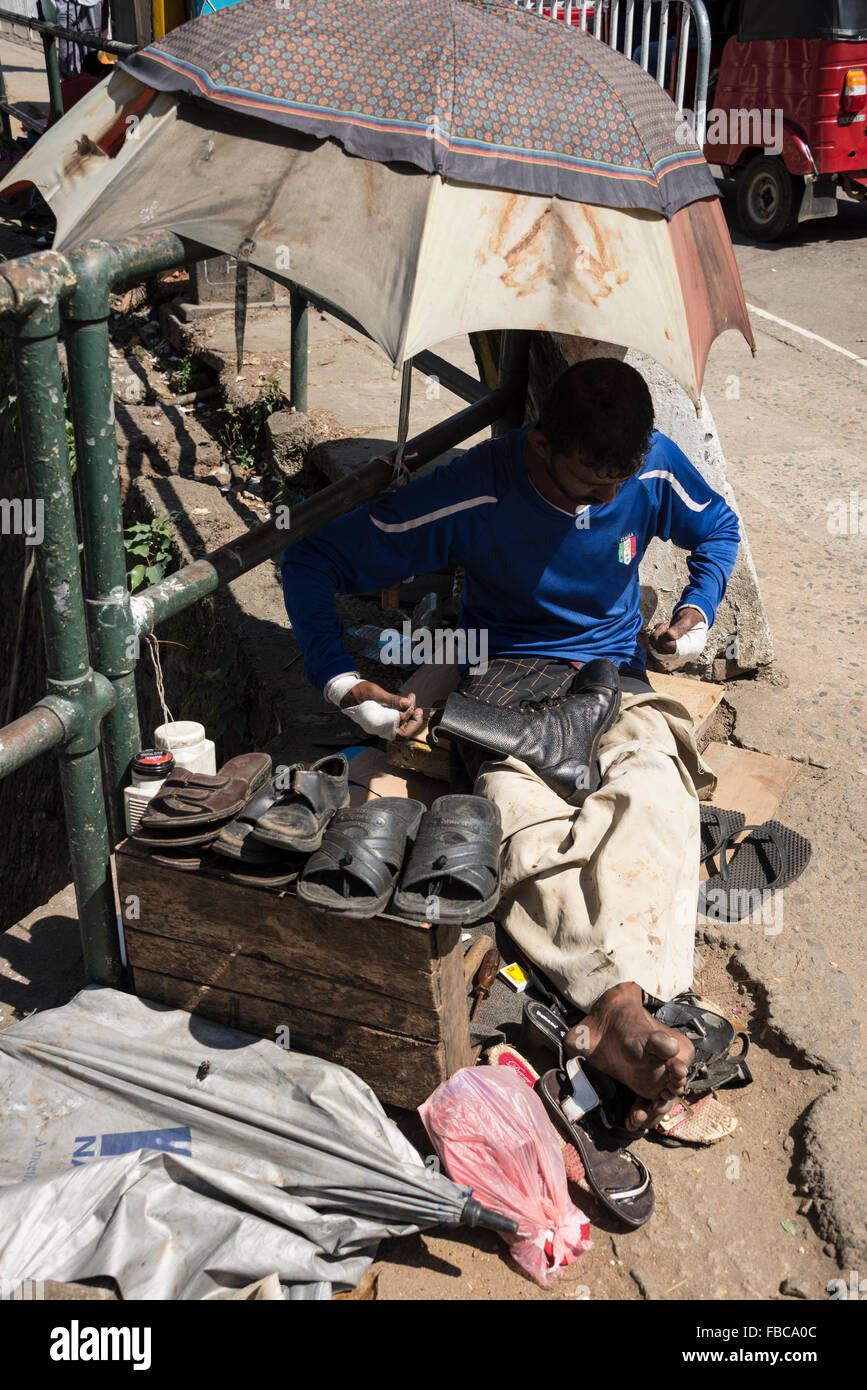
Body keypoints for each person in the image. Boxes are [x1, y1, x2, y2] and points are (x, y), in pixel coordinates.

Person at [282, 357, 740, 1129]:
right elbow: (310, 556)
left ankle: (620, 1005)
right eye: (583, 487)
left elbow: (716, 527)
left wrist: (696, 611)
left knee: (656, 790)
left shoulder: (647, 469)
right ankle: (624, 1005)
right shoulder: (478, 487)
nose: (598, 505)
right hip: (503, 680)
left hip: (611, 669)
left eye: (613, 491)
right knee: (517, 822)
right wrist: (336, 681)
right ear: (538, 445)